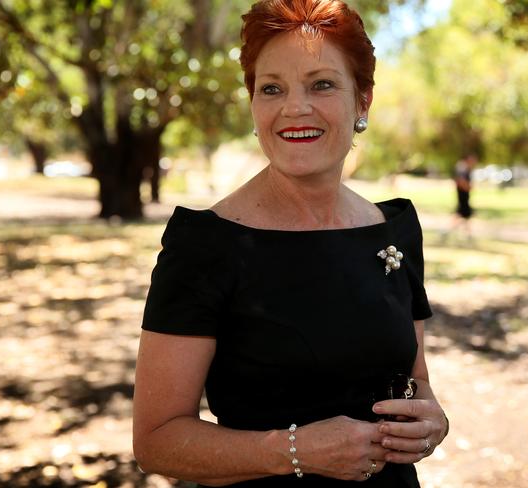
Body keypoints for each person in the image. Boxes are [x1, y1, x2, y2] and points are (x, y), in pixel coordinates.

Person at [133, 1, 449, 486]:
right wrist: (293, 451)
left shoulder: (395, 228)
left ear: (362, 101)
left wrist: (431, 421)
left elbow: (413, 379)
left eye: (321, 84)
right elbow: (156, 441)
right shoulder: (206, 244)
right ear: (254, 105)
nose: (293, 108)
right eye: (272, 89)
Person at [443, 154, 477, 242]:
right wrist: (468, 186)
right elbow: (460, 181)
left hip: (465, 197)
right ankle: (445, 233)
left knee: (464, 217)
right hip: (462, 196)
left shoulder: (466, 169)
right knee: (460, 216)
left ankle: (468, 235)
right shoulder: (462, 168)